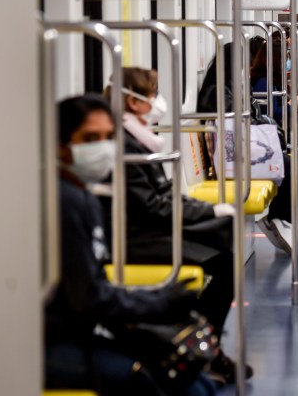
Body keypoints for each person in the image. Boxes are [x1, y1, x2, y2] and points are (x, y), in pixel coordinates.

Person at [45, 95, 218, 395]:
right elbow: (87, 298)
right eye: (90, 138)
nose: (102, 147)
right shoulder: (64, 202)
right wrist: (159, 302)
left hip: (77, 329)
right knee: (163, 383)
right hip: (47, 342)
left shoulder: (84, 194)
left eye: (109, 137)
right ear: (61, 146)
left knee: (196, 381)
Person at [101, 69, 240, 371]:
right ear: (133, 101)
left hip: (144, 226)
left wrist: (205, 211)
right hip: (130, 237)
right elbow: (150, 207)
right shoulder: (124, 143)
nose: (158, 101)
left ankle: (200, 338)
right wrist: (207, 211)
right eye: (153, 94)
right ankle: (202, 347)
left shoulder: (138, 139)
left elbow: (160, 194)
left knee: (222, 236)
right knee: (221, 261)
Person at [197, 41, 298, 254]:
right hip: (233, 152)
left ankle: (282, 218)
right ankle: (279, 218)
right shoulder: (218, 91)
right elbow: (231, 124)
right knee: (297, 169)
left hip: (245, 144)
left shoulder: (235, 87)